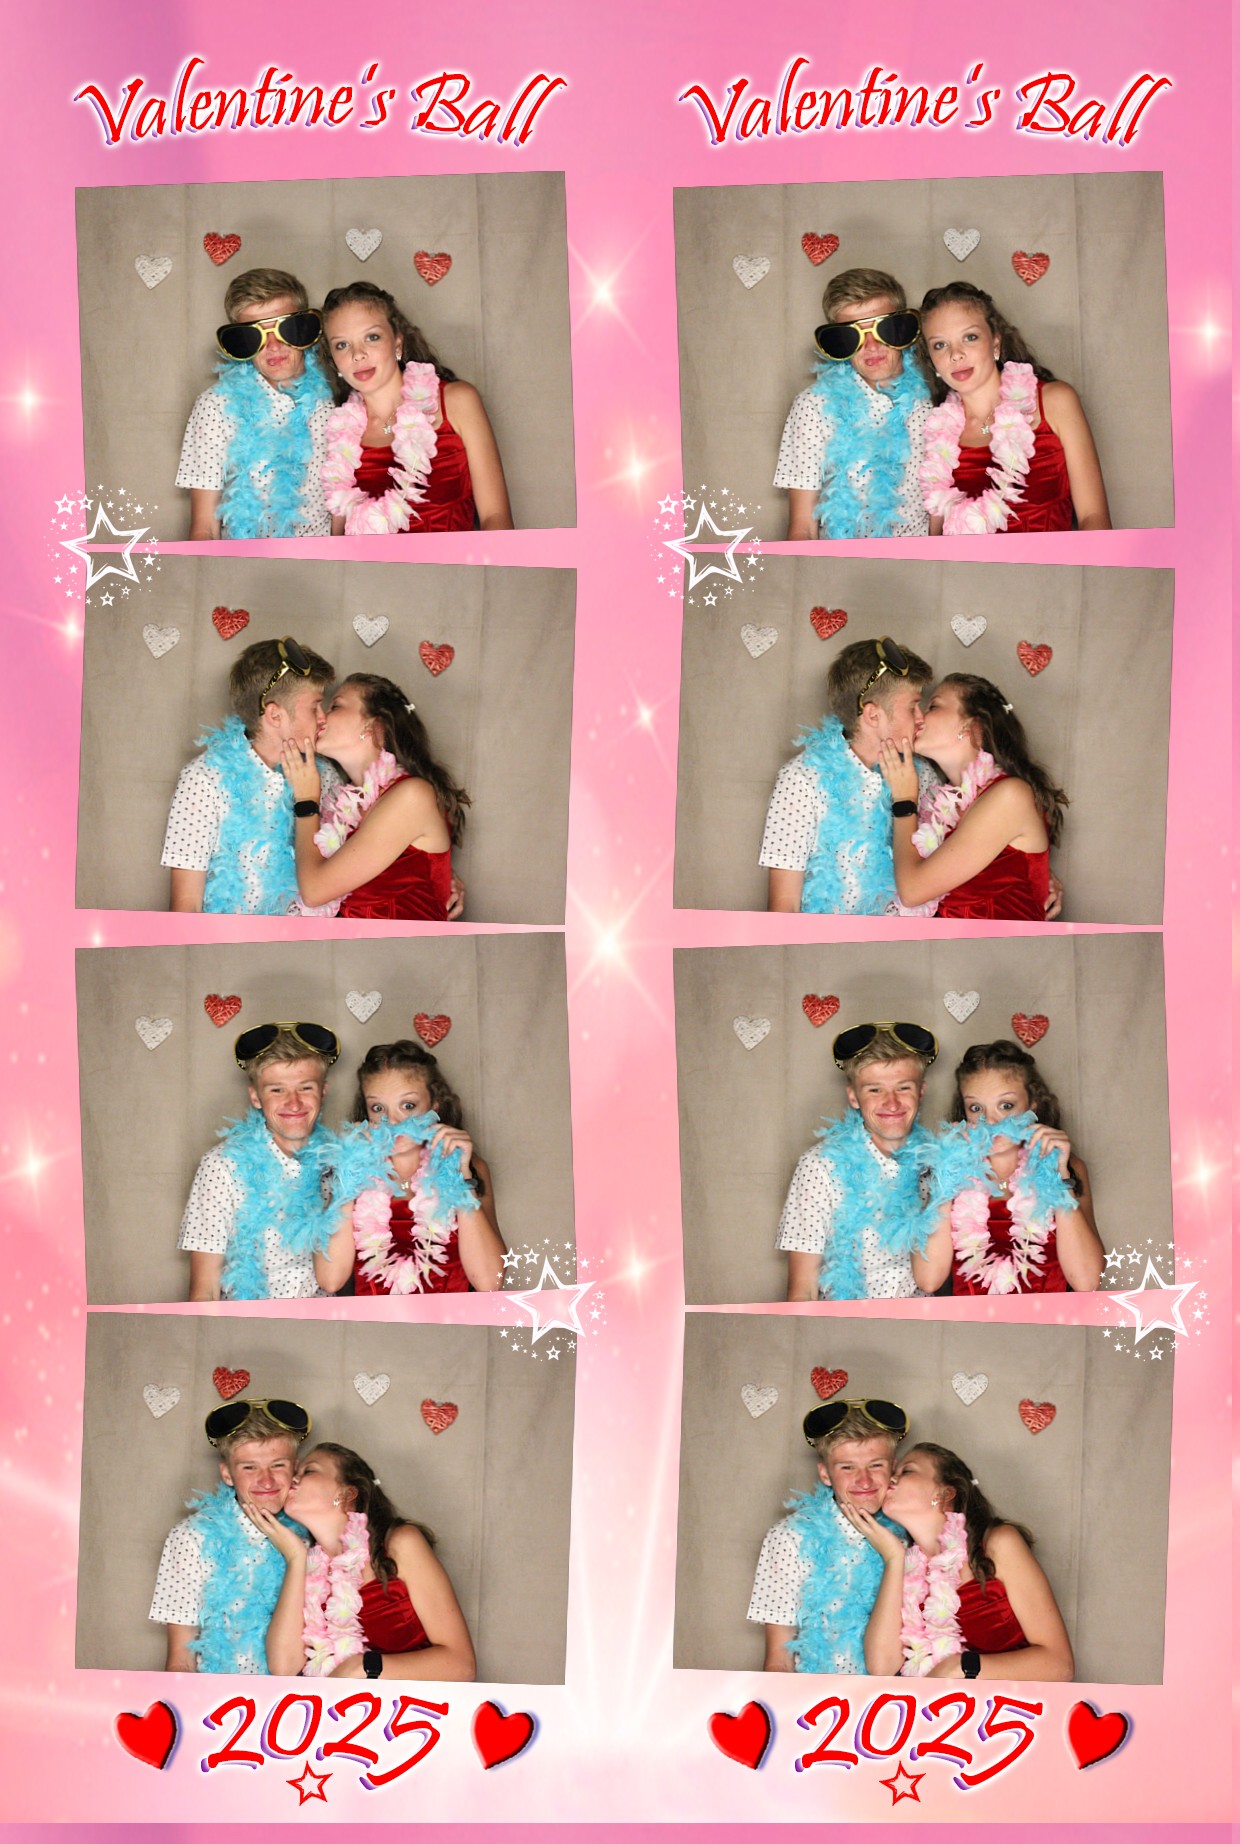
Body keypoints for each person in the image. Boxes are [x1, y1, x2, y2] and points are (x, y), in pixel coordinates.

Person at [843, 1442, 1074, 1681]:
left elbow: (1059, 1666)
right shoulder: (907, 1570)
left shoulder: (998, 1543)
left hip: (1013, 1704)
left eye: (907, 1471)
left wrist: (958, 1668)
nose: (891, 1478)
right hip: (938, 1706)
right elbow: (881, 1666)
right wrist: (893, 1558)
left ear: (944, 1493)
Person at [253, 1443, 476, 1681]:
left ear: (346, 1494)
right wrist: (296, 1558)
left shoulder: (400, 1543)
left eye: (309, 1471)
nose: (293, 1479)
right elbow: (284, 1668)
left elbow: (462, 1666)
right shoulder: (309, 1568)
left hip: (413, 1704)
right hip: (340, 1706)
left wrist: (361, 1668)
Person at [162, 635, 337, 914]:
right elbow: (186, 907)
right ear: (275, 716)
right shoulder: (203, 780)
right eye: (314, 706)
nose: (324, 718)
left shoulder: (326, 776)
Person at [913, 1040, 1104, 1296]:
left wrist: (1059, 1178)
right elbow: (928, 1280)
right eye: (976, 1108)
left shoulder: (1069, 1168)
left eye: (1006, 1105)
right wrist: (947, 1179)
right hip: (970, 1319)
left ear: (1033, 1103)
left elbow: (1087, 1282)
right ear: (964, 1112)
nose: (991, 1121)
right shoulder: (948, 1173)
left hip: (1052, 1319)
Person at [319, 282, 513, 533]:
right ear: (334, 361)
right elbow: (338, 538)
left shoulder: (457, 401)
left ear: (397, 344)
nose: (358, 354)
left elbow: (495, 516)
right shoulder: (340, 432)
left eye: (372, 337)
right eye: (342, 345)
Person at [919, 282, 1110, 534]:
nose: (956, 354)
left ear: (995, 343)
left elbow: (1093, 516)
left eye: (970, 337)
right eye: (940, 345)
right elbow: (936, 540)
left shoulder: (1055, 401)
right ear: (932, 361)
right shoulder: (938, 432)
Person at [761, 636, 934, 914]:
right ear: (873, 715)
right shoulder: (801, 780)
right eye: (912, 707)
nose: (922, 717)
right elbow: (784, 907)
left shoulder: (924, 776)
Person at [319, 1041, 505, 1295]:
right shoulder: (350, 1173)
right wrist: (347, 1181)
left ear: (435, 1103)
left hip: (453, 1317)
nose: (393, 1121)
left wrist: (461, 1178)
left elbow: (489, 1282)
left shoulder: (471, 1167)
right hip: (372, 1319)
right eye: (378, 1108)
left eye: (407, 1105)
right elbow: (330, 1281)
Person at [279, 673, 469, 921]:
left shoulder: (413, 795)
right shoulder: (342, 802)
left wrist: (306, 801)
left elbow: (314, 892)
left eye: (335, 706)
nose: (321, 716)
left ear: (374, 725)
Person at [879, 673, 1067, 921]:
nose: (919, 717)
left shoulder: (1011, 795)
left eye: (933, 706)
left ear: (972, 725)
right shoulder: (941, 803)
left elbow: (912, 891)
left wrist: (904, 801)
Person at [179, 1024, 342, 1302]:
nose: (294, 1103)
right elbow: (204, 1291)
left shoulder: (342, 1163)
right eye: (277, 1090)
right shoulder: (221, 1166)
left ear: (323, 1092)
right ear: (255, 1097)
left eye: (305, 1088)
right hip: (246, 1321)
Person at [150, 1399, 312, 1674]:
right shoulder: (190, 1538)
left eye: (277, 1465)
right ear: (227, 1473)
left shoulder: (312, 1532)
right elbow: (181, 1661)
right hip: (219, 1696)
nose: (266, 1481)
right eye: (249, 1467)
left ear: (295, 1468)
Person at [778, 1024, 938, 1302]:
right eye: (875, 1090)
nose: (892, 1103)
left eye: (903, 1088)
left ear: (921, 1091)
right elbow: (802, 1290)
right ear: (853, 1096)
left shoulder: (940, 1163)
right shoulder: (819, 1167)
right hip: (844, 1321)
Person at [748, 1400, 910, 1673]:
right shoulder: (789, 1538)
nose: (864, 1481)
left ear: (893, 1468)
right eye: (847, 1467)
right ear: (825, 1474)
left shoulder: (910, 1532)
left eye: (875, 1465)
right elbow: (778, 1661)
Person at [177, 268, 335, 539]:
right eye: (255, 335)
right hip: (248, 560)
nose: (273, 345)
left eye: (285, 329)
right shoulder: (215, 407)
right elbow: (205, 527)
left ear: (303, 329)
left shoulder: (339, 393)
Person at [775, 268, 932, 540]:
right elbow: (802, 527)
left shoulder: (936, 394)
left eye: (883, 329)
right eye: (853, 335)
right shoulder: (813, 407)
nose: (871, 345)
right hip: (845, 561)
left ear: (901, 329)